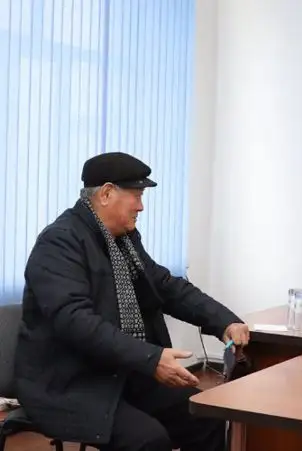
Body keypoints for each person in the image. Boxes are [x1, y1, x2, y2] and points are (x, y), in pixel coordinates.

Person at [14, 152, 251, 451]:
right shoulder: (60, 242)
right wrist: (151, 359)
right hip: (68, 382)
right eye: (136, 196)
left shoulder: (123, 240)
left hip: (119, 371)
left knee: (204, 415)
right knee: (147, 440)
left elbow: (166, 287)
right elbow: (76, 322)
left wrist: (224, 321)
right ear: (106, 194)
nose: (141, 206)